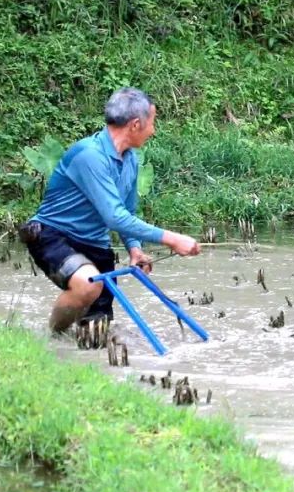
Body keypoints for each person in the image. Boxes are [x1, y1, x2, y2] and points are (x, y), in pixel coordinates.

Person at [20, 87, 201, 333]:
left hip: (95, 244)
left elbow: (127, 210)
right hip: (53, 235)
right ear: (136, 124)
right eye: (153, 122)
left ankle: (70, 354)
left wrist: (135, 249)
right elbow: (114, 217)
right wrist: (172, 238)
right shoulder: (90, 155)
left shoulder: (131, 159)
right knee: (88, 284)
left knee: (97, 329)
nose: (154, 130)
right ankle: (51, 338)